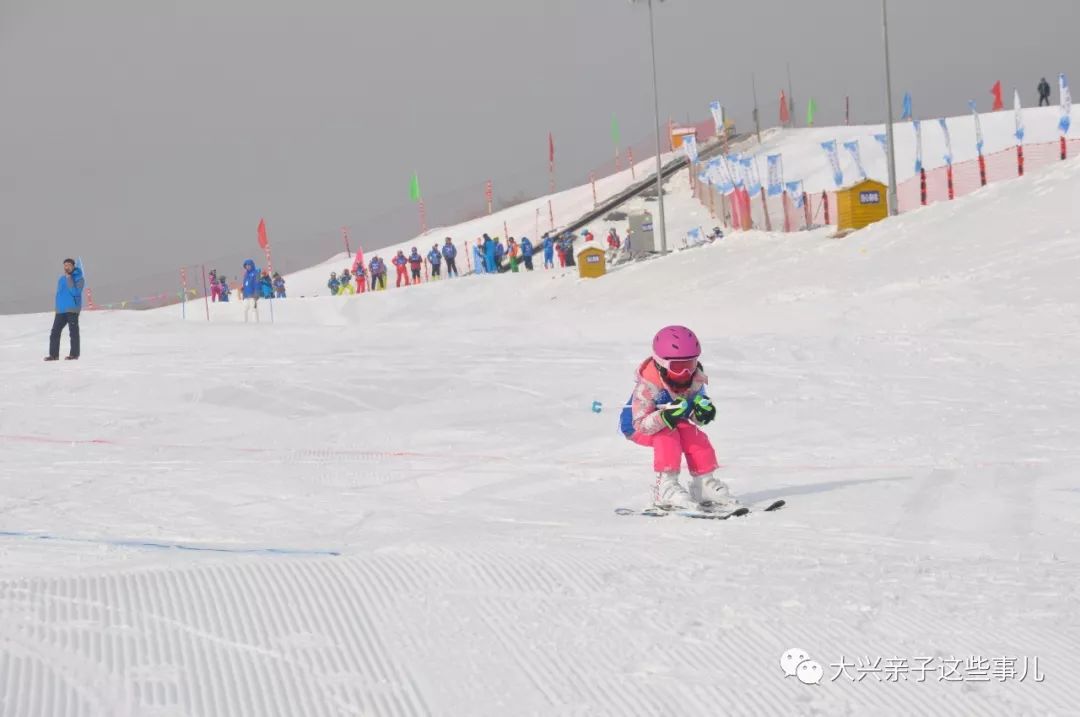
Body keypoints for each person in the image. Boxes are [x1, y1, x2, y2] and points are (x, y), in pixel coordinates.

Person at [618, 326, 731, 511]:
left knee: (694, 434)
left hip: (672, 423)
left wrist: (702, 413)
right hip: (636, 427)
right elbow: (640, 424)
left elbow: (694, 413)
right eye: (678, 367)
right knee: (668, 434)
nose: (685, 373)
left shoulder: (694, 378)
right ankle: (666, 487)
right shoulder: (649, 384)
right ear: (661, 363)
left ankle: (703, 484)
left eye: (690, 364)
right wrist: (665, 416)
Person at [45, 258, 84, 361]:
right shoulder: (61, 279)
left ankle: (74, 355)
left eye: (69, 265)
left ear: (73, 266)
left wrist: (69, 278)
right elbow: (60, 294)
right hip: (61, 310)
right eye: (65, 265)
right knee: (54, 332)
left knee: (73, 332)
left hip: (72, 309)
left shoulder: (79, 278)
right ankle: (53, 355)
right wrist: (57, 307)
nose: (66, 267)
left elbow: (76, 292)